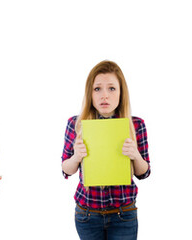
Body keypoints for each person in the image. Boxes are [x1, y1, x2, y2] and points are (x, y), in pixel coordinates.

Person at [60, 60, 149, 240]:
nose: (104, 96)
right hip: (87, 214)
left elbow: (144, 172)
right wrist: (76, 157)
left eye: (112, 88)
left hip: (123, 214)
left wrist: (135, 155)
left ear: (121, 92)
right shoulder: (76, 124)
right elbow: (66, 169)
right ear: (90, 94)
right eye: (97, 89)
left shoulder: (136, 125)